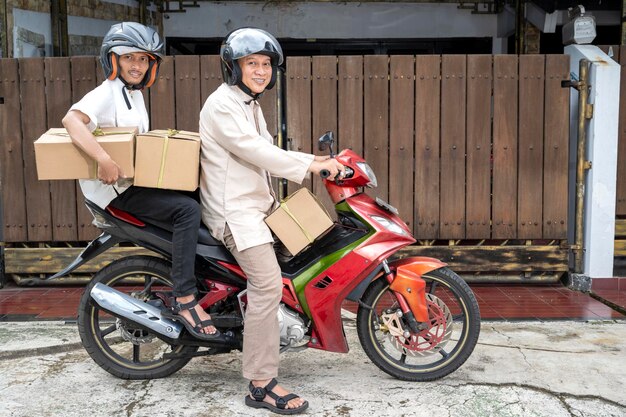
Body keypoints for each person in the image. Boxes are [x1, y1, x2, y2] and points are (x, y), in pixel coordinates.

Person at [199, 27, 345, 415]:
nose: (261, 71)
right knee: (265, 285)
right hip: (236, 215)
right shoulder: (222, 105)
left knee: (314, 244)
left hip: (258, 208)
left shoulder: (249, 104)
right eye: (253, 64)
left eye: (265, 64)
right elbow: (256, 151)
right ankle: (260, 384)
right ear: (234, 67)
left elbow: (267, 151)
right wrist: (313, 165)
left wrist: (314, 163)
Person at [62, 22, 219, 341]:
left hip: (133, 183)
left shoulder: (132, 94)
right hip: (116, 192)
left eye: (144, 59)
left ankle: (214, 274)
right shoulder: (105, 94)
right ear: (113, 59)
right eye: (129, 58)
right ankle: (186, 297)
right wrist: (102, 159)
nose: (137, 65)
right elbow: (72, 121)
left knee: (202, 187)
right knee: (187, 211)